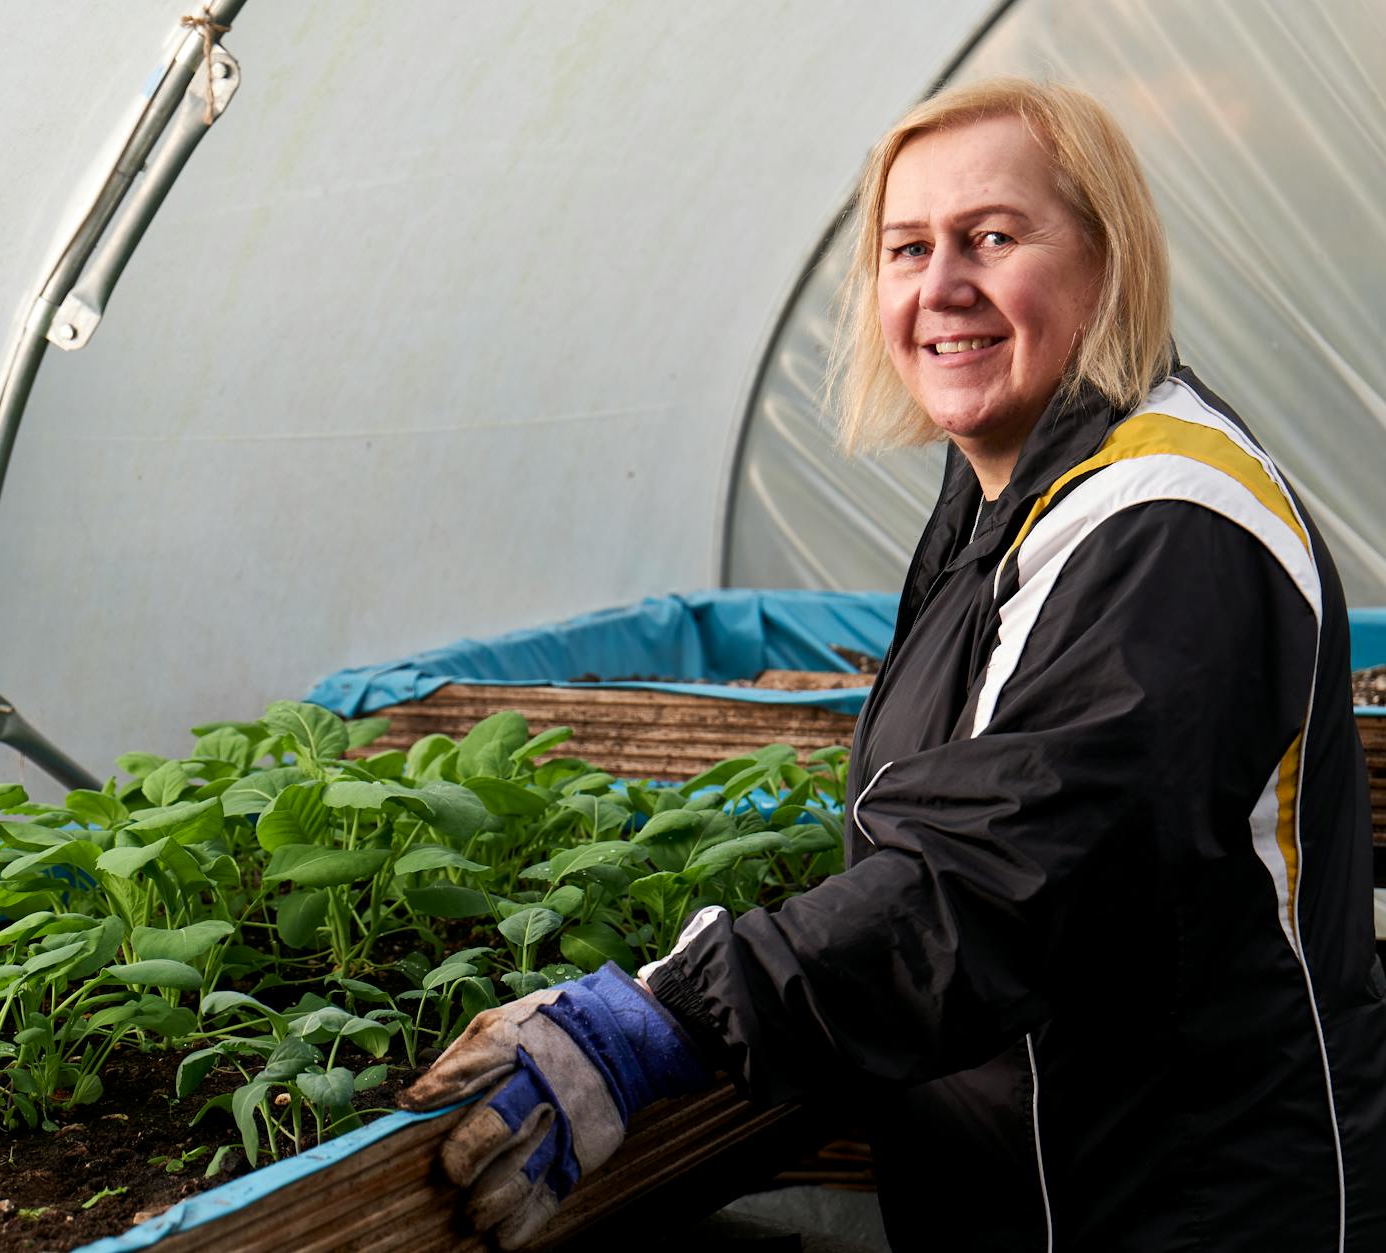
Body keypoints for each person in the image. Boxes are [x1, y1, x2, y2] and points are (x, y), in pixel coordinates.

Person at [402, 78, 1386, 1251]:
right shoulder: (1008, 492)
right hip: (1046, 1183)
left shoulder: (1168, 526)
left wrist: (669, 1017)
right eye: (905, 247)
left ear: (1106, 261)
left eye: (991, 237)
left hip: (1182, 1204)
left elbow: (991, 879)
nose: (939, 287)